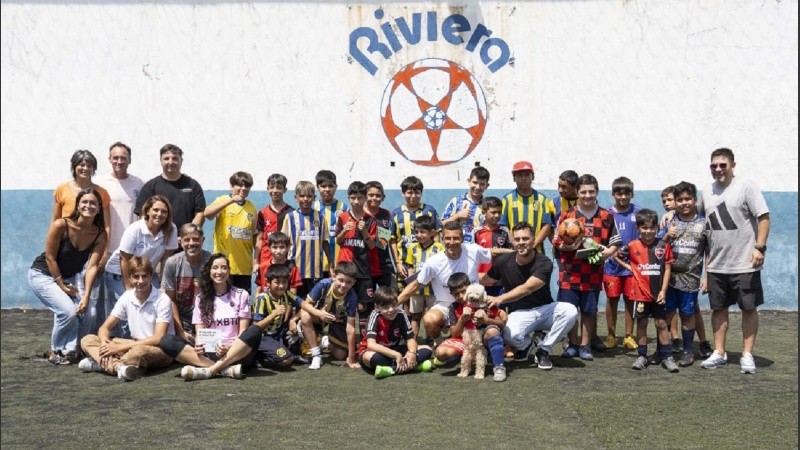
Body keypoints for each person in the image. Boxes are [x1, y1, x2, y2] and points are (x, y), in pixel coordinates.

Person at [699, 148, 769, 374]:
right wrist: (670, 213)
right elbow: (695, 215)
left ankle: (747, 355)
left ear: (732, 165)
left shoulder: (746, 187)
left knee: (749, 309)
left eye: (722, 165)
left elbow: (764, 217)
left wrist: (759, 247)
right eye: (714, 166)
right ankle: (719, 352)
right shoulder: (706, 191)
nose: (718, 169)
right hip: (717, 264)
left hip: (744, 263)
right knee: (718, 309)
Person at [482, 222, 579, 371]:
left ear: (534, 240)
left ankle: (544, 349)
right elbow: (485, 279)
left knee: (570, 311)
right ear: (513, 241)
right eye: (517, 239)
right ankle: (528, 345)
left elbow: (528, 288)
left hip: (545, 310)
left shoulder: (544, 262)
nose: (521, 243)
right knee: (508, 334)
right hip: (520, 313)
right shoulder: (503, 262)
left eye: (525, 239)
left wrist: (500, 299)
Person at [29, 188, 107, 365]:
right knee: (67, 311)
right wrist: (62, 286)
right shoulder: (61, 225)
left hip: (70, 278)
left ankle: (77, 349)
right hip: (43, 275)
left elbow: (92, 266)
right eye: (85, 202)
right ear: (78, 205)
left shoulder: (100, 234)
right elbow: (50, 257)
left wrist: (86, 296)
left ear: (99, 208)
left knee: (90, 311)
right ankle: (57, 351)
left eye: (93, 203)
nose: (89, 205)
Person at [554, 174, 620, 362]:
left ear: (597, 192)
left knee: (589, 310)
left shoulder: (606, 216)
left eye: (591, 191)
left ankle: (585, 345)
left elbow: (615, 243)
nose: (587, 195)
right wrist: (567, 247)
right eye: (584, 192)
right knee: (569, 311)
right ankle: (572, 344)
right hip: (569, 272)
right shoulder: (569, 215)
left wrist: (607, 253)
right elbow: (557, 241)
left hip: (592, 273)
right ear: (577, 192)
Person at [78, 256, 174, 381]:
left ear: (151, 276)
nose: (140, 281)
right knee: (87, 339)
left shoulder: (162, 299)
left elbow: (158, 338)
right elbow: (104, 327)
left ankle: (101, 364)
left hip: (160, 349)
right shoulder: (127, 296)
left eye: (144, 276)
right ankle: (120, 368)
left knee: (137, 353)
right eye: (136, 276)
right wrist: (104, 346)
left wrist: (118, 348)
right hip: (132, 344)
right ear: (129, 278)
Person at [159, 253, 252, 381]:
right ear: (209, 271)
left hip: (235, 353)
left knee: (255, 332)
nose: (219, 272)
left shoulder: (242, 295)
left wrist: (229, 347)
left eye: (224, 267)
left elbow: (243, 333)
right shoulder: (201, 298)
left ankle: (210, 370)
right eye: (215, 268)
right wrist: (199, 344)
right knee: (167, 341)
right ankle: (223, 369)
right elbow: (200, 332)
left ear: (229, 271)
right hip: (211, 352)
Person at [398, 221, 492, 342]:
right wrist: (395, 303)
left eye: (456, 238)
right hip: (446, 305)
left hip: (474, 302)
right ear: (442, 239)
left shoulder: (474, 250)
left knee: (489, 328)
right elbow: (415, 285)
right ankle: (441, 343)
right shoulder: (433, 262)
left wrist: (517, 254)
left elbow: (493, 253)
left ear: (463, 239)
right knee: (429, 319)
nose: (452, 242)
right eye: (448, 238)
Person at [51, 150, 112, 332]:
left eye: (89, 165)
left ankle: (83, 342)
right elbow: (55, 220)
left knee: (89, 301)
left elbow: (106, 226)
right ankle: (61, 345)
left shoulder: (101, 193)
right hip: (66, 253)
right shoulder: (62, 189)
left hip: (90, 252)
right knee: (65, 301)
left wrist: (103, 254)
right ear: (74, 167)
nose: (85, 168)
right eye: (81, 165)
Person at [104, 195, 179, 337]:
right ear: (147, 211)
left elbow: (166, 258)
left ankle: (148, 342)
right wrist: (129, 288)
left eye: (164, 211)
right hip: (119, 273)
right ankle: (121, 344)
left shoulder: (171, 229)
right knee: (127, 314)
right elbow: (124, 259)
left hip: (146, 274)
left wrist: (163, 284)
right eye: (155, 210)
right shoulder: (135, 229)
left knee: (156, 306)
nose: (159, 214)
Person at [616, 209, 678, 372]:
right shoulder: (632, 245)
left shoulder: (663, 246)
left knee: (662, 323)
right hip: (640, 294)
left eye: (652, 228)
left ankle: (667, 357)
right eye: (644, 228)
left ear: (657, 228)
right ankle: (642, 355)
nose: (648, 231)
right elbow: (616, 255)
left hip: (658, 293)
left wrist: (663, 291)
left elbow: (667, 269)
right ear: (638, 229)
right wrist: (631, 268)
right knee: (642, 323)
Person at [659, 181, 712, 366]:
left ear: (695, 200)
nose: (684, 203)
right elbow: (657, 248)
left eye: (688, 198)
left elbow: (709, 252)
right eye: (680, 199)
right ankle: (663, 351)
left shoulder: (704, 224)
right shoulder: (669, 221)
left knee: (688, 315)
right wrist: (667, 235)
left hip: (690, 279)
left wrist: (708, 277)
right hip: (668, 279)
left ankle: (688, 352)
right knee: (665, 315)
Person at [96, 142, 144, 321]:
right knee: (101, 299)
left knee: (126, 297)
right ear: (109, 159)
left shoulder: (138, 183)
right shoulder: (100, 183)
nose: (119, 161)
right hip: (106, 249)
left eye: (123, 158)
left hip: (130, 252)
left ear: (129, 160)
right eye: (115, 157)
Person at [433, 273, 508, 381]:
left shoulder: (486, 303)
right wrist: (462, 320)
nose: (460, 296)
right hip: (465, 338)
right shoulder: (453, 307)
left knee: (492, 332)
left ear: (469, 287)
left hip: (483, 337)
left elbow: (501, 323)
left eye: (463, 291)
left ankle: (497, 363)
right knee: (440, 352)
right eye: (456, 294)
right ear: (451, 294)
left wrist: (487, 320)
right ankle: (466, 361)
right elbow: (454, 333)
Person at [358, 286, 434, 379]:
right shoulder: (375, 315)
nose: (391, 310)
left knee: (428, 349)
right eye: (386, 307)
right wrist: (396, 355)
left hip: (395, 348)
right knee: (370, 358)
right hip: (376, 352)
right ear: (377, 307)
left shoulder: (401, 314)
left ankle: (390, 369)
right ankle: (413, 366)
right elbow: (371, 345)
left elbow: (410, 338)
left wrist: (412, 353)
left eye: (394, 305)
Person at [603, 177, 642, 352]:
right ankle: (611, 335)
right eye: (619, 193)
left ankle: (628, 336)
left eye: (627, 193)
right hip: (611, 266)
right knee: (611, 300)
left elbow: (645, 236)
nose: (623, 196)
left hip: (632, 267)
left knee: (630, 301)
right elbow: (602, 238)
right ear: (613, 194)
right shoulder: (606, 214)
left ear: (632, 194)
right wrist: (611, 251)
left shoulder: (639, 213)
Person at [297, 262, 361, 370]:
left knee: (340, 355)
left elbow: (350, 328)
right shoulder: (323, 284)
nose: (344, 285)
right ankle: (316, 355)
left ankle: (324, 341)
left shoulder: (352, 296)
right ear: (334, 276)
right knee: (305, 314)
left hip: (338, 321)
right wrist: (319, 313)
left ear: (354, 282)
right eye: (340, 280)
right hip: (319, 316)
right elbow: (305, 304)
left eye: (348, 282)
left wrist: (351, 357)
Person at [135, 144, 206, 236]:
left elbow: (200, 213)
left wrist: (187, 236)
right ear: (160, 161)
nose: (171, 162)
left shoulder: (193, 185)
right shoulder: (150, 186)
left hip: (185, 244)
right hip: (158, 243)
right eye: (166, 158)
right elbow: (143, 215)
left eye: (175, 158)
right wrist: (156, 237)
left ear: (181, 161)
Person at [204, 171, 258, 293]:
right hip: (224, 266)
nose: (243, 188)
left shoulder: (252, 207)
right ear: (231, 186)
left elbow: (255, 235)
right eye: (239, 185)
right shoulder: (223, 199)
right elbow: (207, 214)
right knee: (222, 299)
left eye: (247, 186)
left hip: (244, 266)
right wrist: (231, 201)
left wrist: (255, 261)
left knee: (242, 303)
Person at [335, 181, 377, 333]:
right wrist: (344, 231)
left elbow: (372, 246)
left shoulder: (370, 219)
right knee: (342, 304)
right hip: (345, 268)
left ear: (365, 198)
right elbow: (338, 241)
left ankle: (365, 340)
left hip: (363, 270)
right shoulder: (343, 217)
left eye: (360, 198)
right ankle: (343, 339)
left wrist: (365, 232)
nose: (356, 201)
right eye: (353, 198)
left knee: (362, 306)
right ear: (348, 198)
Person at [162, 223, 212, 339]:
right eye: (187, 240)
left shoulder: (211, 262)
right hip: (182, 320)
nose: (191, 243)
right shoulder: (172, 263)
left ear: (203, 240)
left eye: (195, 239)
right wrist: (180, 331)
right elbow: (170, 300)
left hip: (207, 320)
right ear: (180, 242)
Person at [282, 180, 329, 299]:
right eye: (302, 196)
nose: (305, 199)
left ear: (314, 197)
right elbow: (283, 243)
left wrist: (332, 265)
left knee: (314, 302)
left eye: (309, 196)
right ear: (295, 197)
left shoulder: (320, 217)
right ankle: (293, 318)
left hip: (316, 270)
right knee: (295, 301)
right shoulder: (290, 217)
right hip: (295, 268)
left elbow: (325, 242)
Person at [250, 264, 303, 368]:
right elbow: (256, 327)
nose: (281, 286)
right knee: (287, 360)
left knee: (304, 318)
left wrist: (293, 319)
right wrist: (274, 314)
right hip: (264, 337)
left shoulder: (286, 294)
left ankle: (277, 351)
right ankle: (260, 355)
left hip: (278, 334)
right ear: (268, 283)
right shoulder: (262, 299)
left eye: (284, 282)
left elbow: (306, 305)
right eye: (277, 282)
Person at [390, 175, 441, 281]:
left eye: (417, 192)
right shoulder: (396, 214)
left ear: (421, 193)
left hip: (428, 265)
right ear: (403, 193)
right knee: (404, 296)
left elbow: (436, 235)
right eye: (409, 192)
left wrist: (435, 260)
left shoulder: (429, 210)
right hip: (404, 266)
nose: (413, 196)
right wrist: (398, 263)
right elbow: (393, 240)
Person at [403, 215, 445, 340]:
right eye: (416, 231)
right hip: (417, 290)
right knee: (415, 316)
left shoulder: (439, 248)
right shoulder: (412, 247)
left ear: (432, 232)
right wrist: (410, 283)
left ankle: (432, 340)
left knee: (431, 316)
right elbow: (411, 266)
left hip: (433, 290)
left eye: (422, 232)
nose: (419, 234)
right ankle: (413, 341)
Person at [499, 161, 554, 254]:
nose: (523, 178)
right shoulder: (507, 199)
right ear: (514, 178)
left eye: (527, 175)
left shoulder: (543, 200)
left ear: (533, 177)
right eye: (520, 175)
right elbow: (503, 225)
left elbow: (546, 225)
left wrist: (533, 245)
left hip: (537, 251)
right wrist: (514, 243)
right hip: (513, 251)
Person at [254, 173, 294, 293]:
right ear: (268, 189)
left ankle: (286, 311)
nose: (275, 190)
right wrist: (255, 260)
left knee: (284, 287)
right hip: (266, 258)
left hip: (284, 259)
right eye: (272, 187)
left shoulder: (291, 212)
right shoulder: (262, 212)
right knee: (262, 287)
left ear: (285, 190)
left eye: (279, 187)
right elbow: (260, 239)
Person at [473, 196, 513, 297]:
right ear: (483, 212)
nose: (497, 215)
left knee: (500, 308)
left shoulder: (505, 232)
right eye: (493, 212)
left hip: (500, 279)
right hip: (481, 278)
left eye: (499, 212)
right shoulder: (476, 232)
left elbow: (511, 253)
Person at [441, 165, 491, 243]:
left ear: (487, 186)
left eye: (482, 184)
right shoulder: (456, 201)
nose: (477, 187)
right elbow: (441, 225)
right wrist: (457, 216)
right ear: (469, 181)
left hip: (479, 249)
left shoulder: (488, 205)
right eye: (474, 182)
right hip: (458, 248)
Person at [313, 170, 348, 276]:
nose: (327, 189)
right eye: (323, 186)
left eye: (330, 186)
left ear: (336, 186)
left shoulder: (344, 208)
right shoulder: (312, 208)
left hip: (338, 262)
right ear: (317, 187)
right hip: (316, 263)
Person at [364, 181, 395, 290]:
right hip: (365, 267)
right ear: (364, 196)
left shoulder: (386, 214)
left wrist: (397, 263)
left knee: (388, 300)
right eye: (371, 195)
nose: (374, 198)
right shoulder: (358, 214)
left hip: (384, 266)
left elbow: (389, 242)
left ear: (383, 197)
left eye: (378, 195)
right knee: (367, 305)